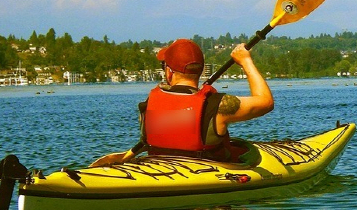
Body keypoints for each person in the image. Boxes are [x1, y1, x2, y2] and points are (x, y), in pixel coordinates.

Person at [90, 38, 273, 165]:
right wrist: (246, 61)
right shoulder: (217, 106)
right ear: (200, 71)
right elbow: (265, 102)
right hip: (207, 190)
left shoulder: (148, 104)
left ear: (169, 71)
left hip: (157, 170)